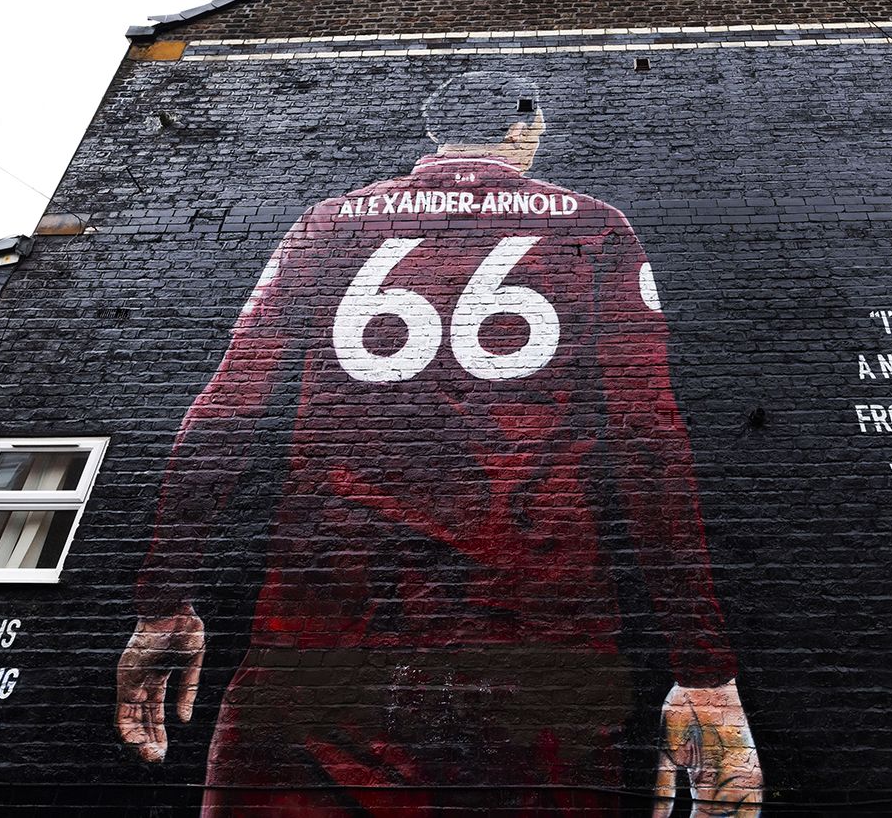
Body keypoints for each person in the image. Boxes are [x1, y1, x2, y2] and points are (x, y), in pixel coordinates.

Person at [117, 71, 763, 816]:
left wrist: (163, 601)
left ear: (436, 132)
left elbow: (225, 413)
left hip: (320, 645)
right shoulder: (594, 227)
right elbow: (649, 440)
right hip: (540, 651)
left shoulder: (327, 224)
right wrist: (704, 670)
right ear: (525, 128)